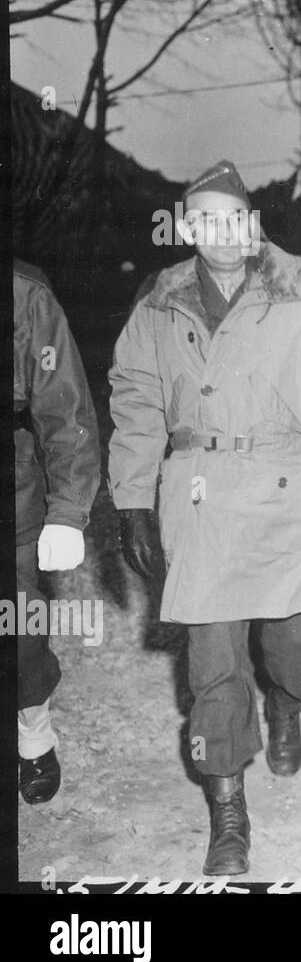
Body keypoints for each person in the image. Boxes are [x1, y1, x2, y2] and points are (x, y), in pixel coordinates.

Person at [108, 159, 301, 876]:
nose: (222, 231)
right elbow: (134, 404)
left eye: (235, 216)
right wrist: (132, 497)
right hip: (198, 497)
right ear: (188, 226)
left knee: (295, 646)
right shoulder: (157, 307)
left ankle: (286, 705)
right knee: (211, 661)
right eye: (206, 218)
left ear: (251, 223)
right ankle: (228, 805)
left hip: (290, 492)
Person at [13, 261, 101, 804]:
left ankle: (33, 734)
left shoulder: (25, 294)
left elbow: (63, 408)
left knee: (17, 630)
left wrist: (67, 510)